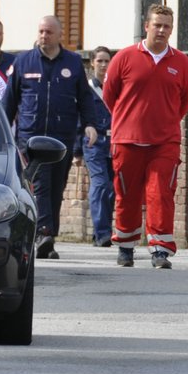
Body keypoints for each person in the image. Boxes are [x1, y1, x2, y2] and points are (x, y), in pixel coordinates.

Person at [4, 15, 106, 259]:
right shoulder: (24, 61)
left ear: (59, 35)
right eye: (40, 31)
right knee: (40, 185)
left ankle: (48, 237)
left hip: (62, 138)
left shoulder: (72, 62)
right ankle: (43, 233)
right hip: (31, 139)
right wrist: (1, 130)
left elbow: (84, 98)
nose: (43, 36)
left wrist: (90, 125)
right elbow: (9, 100)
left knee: (56, 187)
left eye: (48, 32)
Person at [102, 4, 188, 269]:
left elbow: (185, 101)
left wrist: (164, 121)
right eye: (157, 25)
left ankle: (160, 250)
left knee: (161, 194)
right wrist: (127, 119)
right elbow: (110, 95)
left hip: (164, 141)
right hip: (127, 139)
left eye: (167, 26)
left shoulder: (181, 62)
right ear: (146, 26)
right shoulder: (124, 57)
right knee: (127, 194)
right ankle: (126, 246)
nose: (162, 30)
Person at [82, 46, 115, 247]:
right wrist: (77, 151)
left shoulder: (115, 87)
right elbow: (80, 117)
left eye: (107, 61)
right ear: (92, 63)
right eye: (100, 61)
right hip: (93, 142)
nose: (103, 65)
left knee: (112, 188)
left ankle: (103, 232)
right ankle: (102, 233)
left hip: (113, 141)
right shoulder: (86, 89)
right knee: (100, 184)